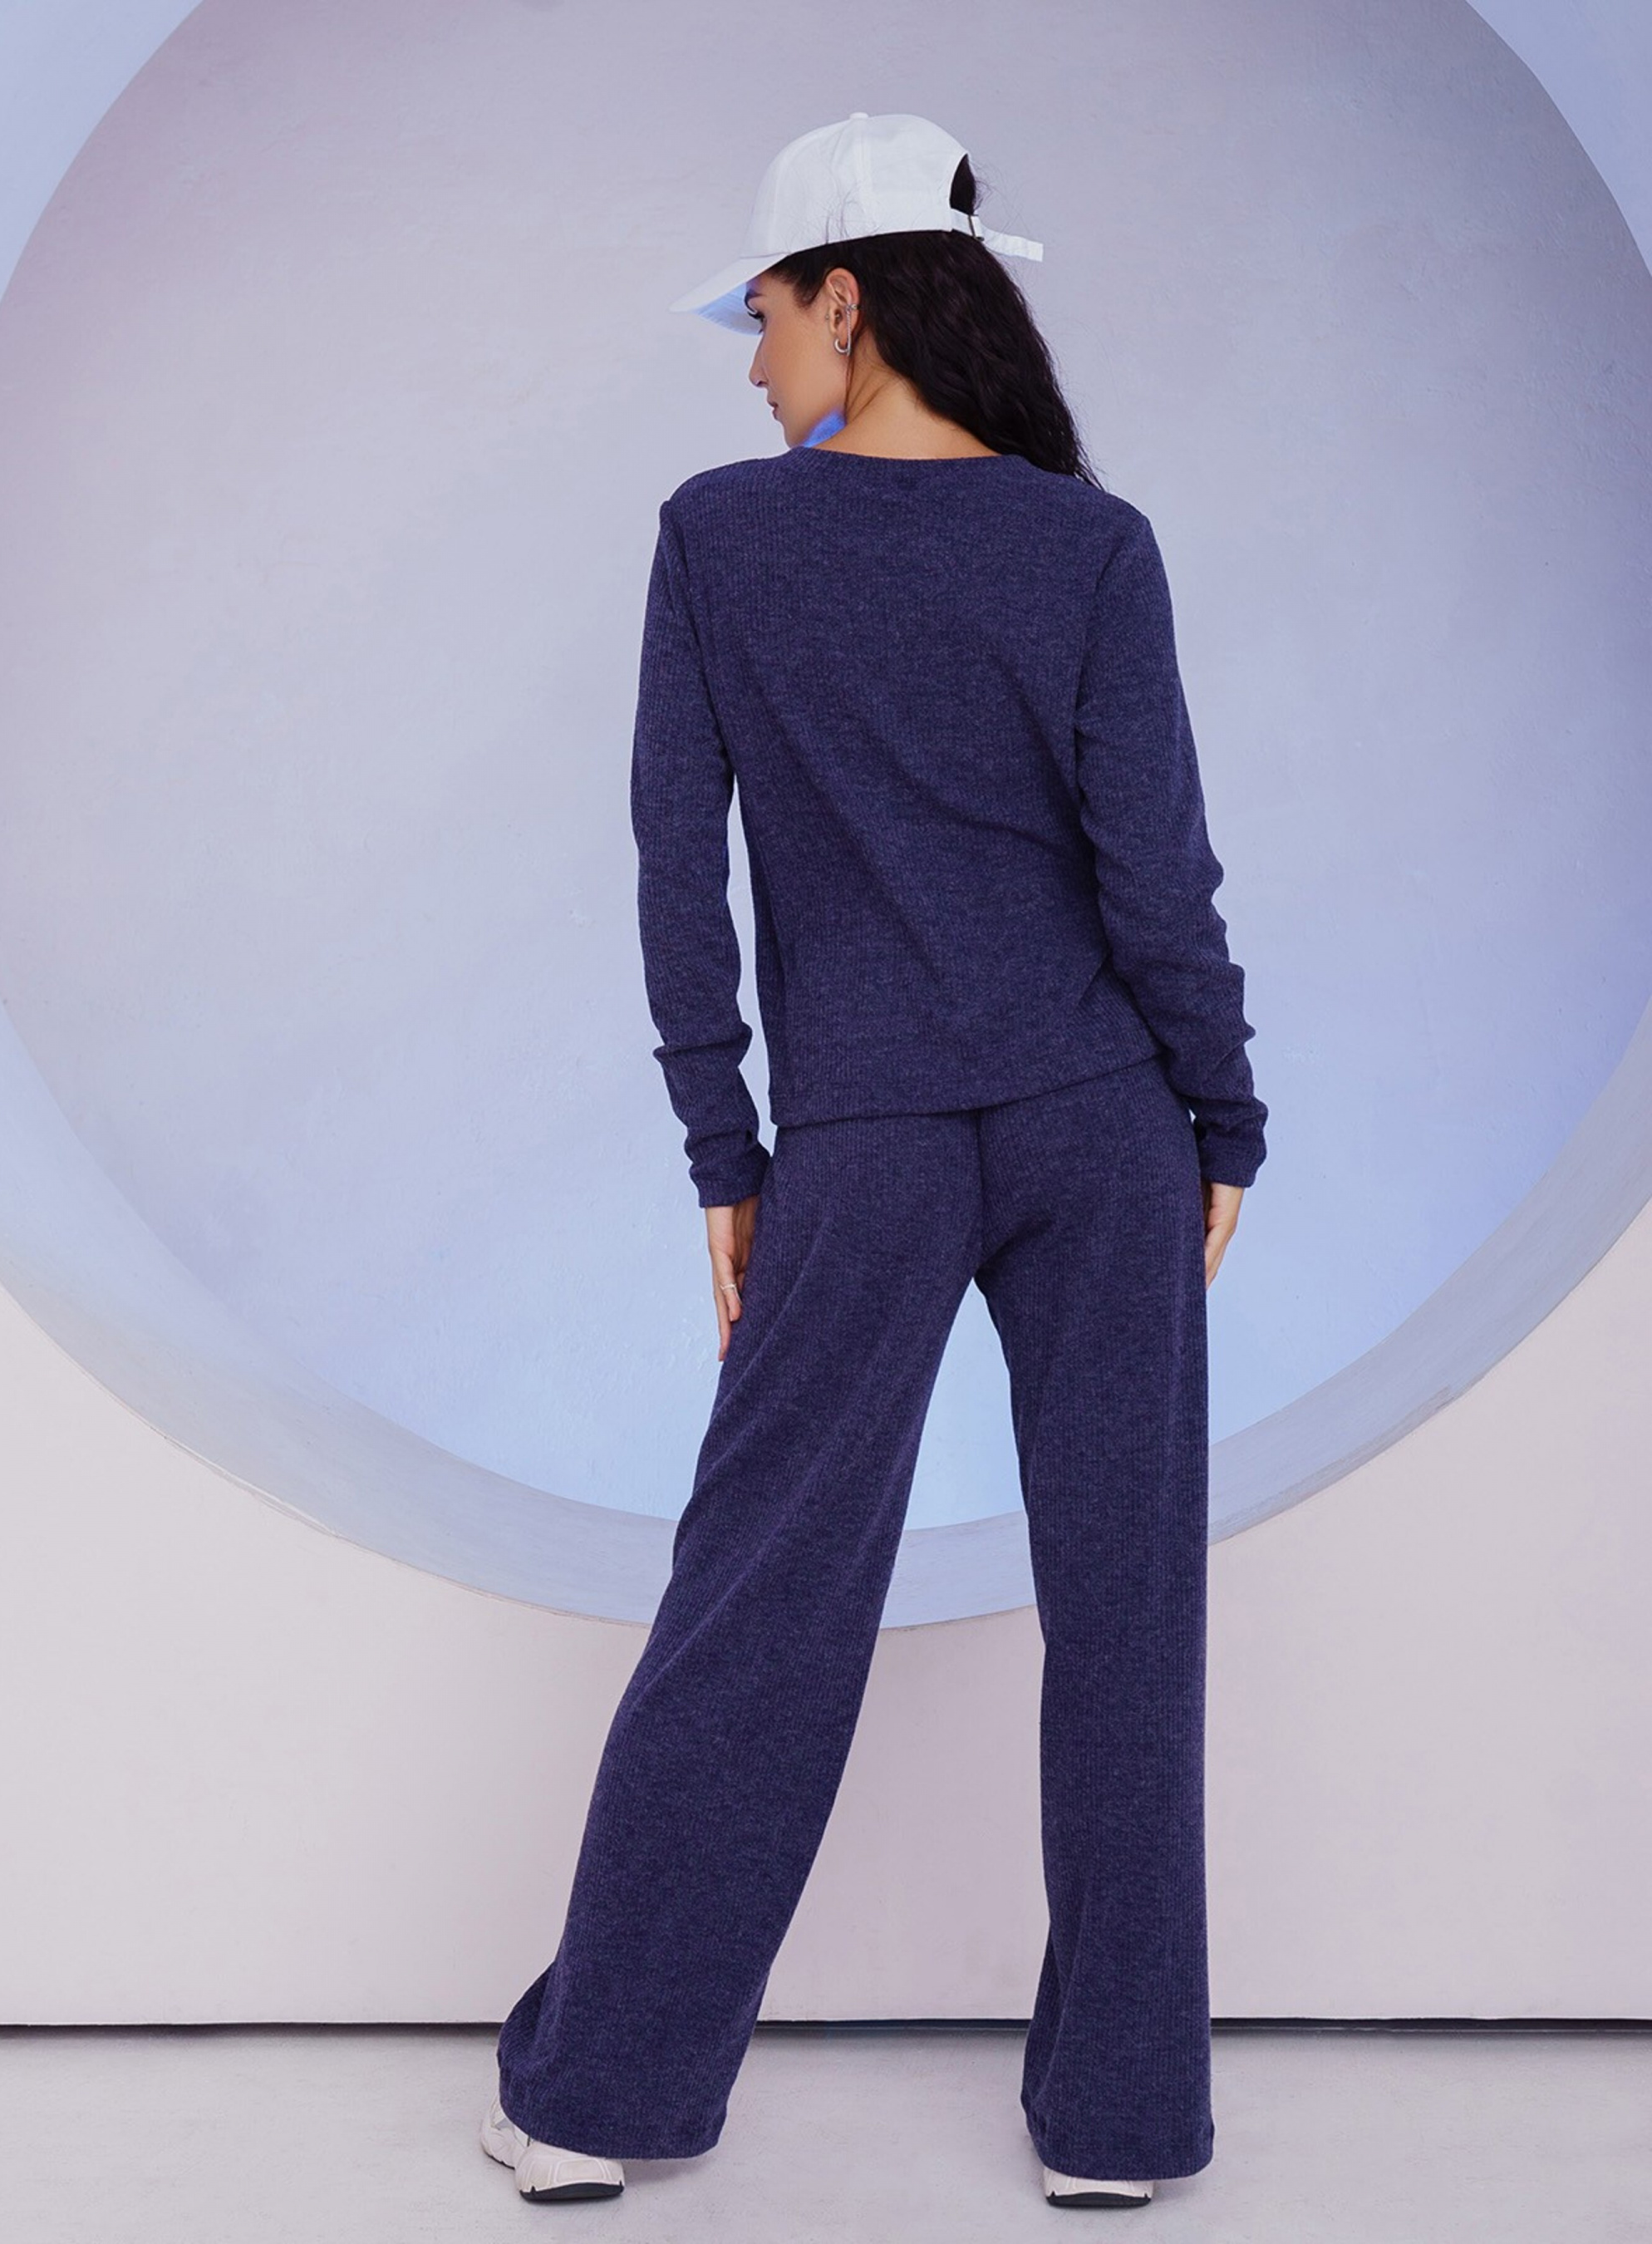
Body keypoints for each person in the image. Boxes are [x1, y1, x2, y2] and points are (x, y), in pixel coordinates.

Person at [482, 111, 1269, 2212]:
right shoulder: (1089, 547)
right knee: (1127, 1619)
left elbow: (677, 879)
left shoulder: (720, 541)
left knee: (754, 1606)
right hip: (1103, 1128)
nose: (748, 363)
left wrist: (720, 1152)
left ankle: (595, 2098)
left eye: (757, 317)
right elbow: (1157, 880)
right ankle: (1118, 2129)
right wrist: (1220, 1115)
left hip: (864, 1145)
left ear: (844, 300)